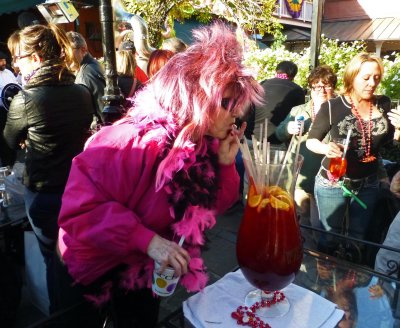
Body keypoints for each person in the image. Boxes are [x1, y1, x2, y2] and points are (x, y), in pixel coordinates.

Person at [56, 22, 263, 327]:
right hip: (93, 266)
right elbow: (80, 213)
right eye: (226, 102)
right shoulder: (128, 142)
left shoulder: (202, 142)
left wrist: (225, 164)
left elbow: (210, 210)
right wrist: (147, 240)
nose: (236, 113)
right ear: (194, 96)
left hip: (142, 268)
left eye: (237, 104)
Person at [3, 23, 94, 314]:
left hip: (45, 194)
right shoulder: (80, 91)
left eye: (19, 57)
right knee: (75, 255)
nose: (15, 63)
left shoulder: (26, 99)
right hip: (79, 190)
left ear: (37, 58)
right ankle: (84, 308)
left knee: (54, 261)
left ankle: (62, 315)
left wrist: (26, 142)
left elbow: (7, 144)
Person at [306, 53, 395, 255]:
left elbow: (387, 141)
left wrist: (398, 131)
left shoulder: (383, 103)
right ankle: (324, 279)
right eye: (365, 78)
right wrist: (325, 148)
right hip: (334, 181)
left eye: (377, 77)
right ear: (352, 76)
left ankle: (351, 280)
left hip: (369, 181)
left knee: (358, 237)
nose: (372, 83)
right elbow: (312, 140)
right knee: (330, 237)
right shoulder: (333, 106)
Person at [275, 65, 337, 240]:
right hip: (299, 177)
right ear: (310, 87)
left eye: (326, 85)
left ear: (333, 86)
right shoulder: (298, 111)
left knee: (320, 228)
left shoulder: (339, 111)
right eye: (316, 85)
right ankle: (301, 256)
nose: (321, 90)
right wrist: (288, 127)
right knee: (300, 222)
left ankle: (319, 260)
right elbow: (279, 133)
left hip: (324, 178)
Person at [254, 60, 305, 144]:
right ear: (293, 76)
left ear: (276, 71)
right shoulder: (297, 90)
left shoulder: (262, 84)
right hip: (278, 141)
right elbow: (299, 117)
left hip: (252, 137)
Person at [66, 31, 106, 126]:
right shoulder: (90, 66)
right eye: (63, 50)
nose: (64, 56)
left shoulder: (87, 73)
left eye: (68, 50)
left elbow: (103, 111)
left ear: (83, 50)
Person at [0, 50, 19, 166]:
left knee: (10, 137)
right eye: (1, 61)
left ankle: (11, 163)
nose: (4, 63)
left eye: (4, 61)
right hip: (0, 112)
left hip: (10, 111)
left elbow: (16, 86)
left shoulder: (8, 73)